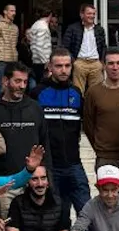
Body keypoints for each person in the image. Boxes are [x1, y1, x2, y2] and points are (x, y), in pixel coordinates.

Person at [32, 48, 89, 215]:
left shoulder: (76, 93)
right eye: (59, 66)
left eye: (67, 66)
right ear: (50, 66)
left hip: (73, 163)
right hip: (50, 165)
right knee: (56, 214)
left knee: (87, 212)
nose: (63, 70)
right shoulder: (38, 93)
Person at [0, 61, 50, 212]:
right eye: (17, 81)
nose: (22, 86)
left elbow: (45, 144)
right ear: (5, 81)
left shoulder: (35, 108)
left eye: (25, 82)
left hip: (33, 184)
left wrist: (46, 179)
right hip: (5, 184)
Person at [82, 48, 119, 201]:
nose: (115, 67)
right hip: (106, 157)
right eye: (111, 63)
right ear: (103, 65)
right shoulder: (93, 92)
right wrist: (101, 147)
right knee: (107, 205)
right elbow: (88, 124)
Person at [61, 3, 107, 94]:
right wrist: (74, 62)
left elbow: (103, 47)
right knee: (77, 91)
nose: (92, 16)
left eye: (93, 14)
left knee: (97, 92)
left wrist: (102, 62)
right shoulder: (72, 28)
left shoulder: (99, 29)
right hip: (80, 63)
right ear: (82, 14)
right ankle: (79, 108)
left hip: (95, 64)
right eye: (89, 13)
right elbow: (65, 47)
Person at [26, 9, 57, 82]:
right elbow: (39, 46)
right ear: (50, 16)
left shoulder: (35, 24)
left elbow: (32, 42)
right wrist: (46, 61)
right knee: (44, 85)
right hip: (42, 62)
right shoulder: (43, 27)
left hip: (35, 60)